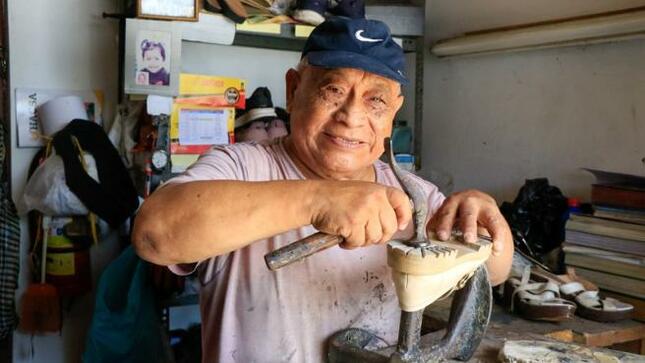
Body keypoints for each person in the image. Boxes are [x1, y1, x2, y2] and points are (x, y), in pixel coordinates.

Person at [132, 18, 514, 362]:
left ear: (392, 115)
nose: (351, 115)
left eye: (375, 100)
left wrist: (483, 216)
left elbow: (495, 272)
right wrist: (318, 199)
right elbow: (154, 235)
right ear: (294, 90)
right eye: (333, 90)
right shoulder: (242, 167)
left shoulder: (411, 194)